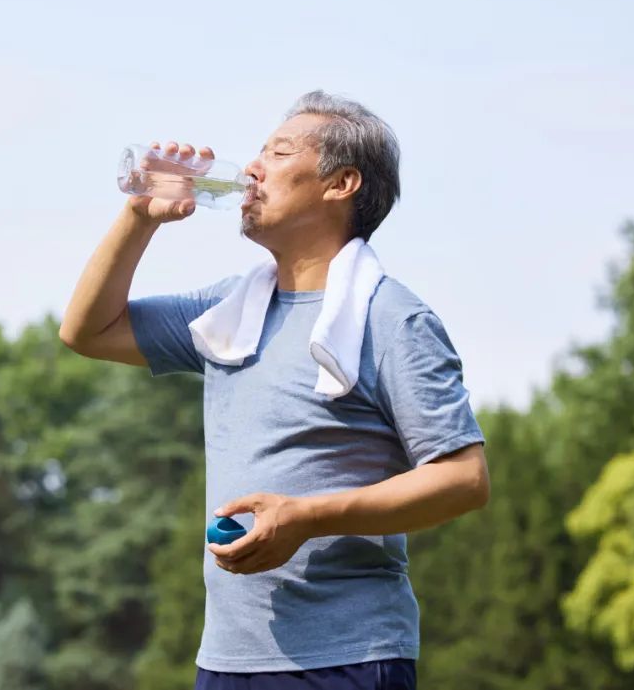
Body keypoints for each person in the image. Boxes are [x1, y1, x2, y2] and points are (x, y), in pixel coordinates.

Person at [59, 90, 489, 690]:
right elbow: (87, 329)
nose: (252, 168)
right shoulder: (230, 312)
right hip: (227, 659)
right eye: (258, 151)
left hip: (346, 656)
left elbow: (463, 479)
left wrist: (305, 518)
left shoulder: (393, 319)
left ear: (341, 184)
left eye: (279, 152)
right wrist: (139, 215)